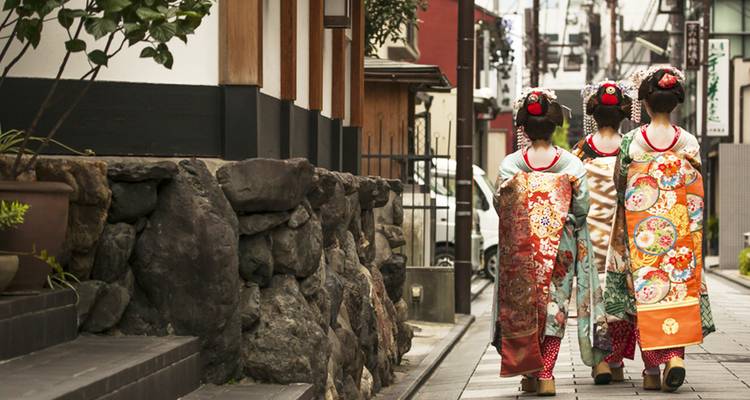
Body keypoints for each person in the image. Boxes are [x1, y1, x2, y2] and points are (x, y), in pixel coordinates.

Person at [491, 88, 608, 396]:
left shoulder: (510, 165)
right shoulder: (571, 165)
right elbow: (582, 208)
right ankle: (546, 374)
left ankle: (528, 372)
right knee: (555, 306)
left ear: (523, 128)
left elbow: (501, 205)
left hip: (521, 245)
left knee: (522, 308)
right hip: (562, 244)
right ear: (555, 124)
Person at [609, 66, 716, 392]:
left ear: (646, 103)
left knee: (646, 294)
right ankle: (676, 358)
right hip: (680, 231)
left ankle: (652, 370)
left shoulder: (631, 142)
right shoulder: (688, 142)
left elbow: (620, 183)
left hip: (641, 231)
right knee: (677, 288)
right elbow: (696, 187)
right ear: (675, 103)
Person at [572, 80, 637, 385]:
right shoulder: (631, 147)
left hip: (590, 233)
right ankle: (617, 361)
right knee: (620, 296)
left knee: (592, 294)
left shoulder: (581, 150)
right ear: (623, 114)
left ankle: (600, 361)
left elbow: (572, 194)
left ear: (593, 115)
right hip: (621, 232)